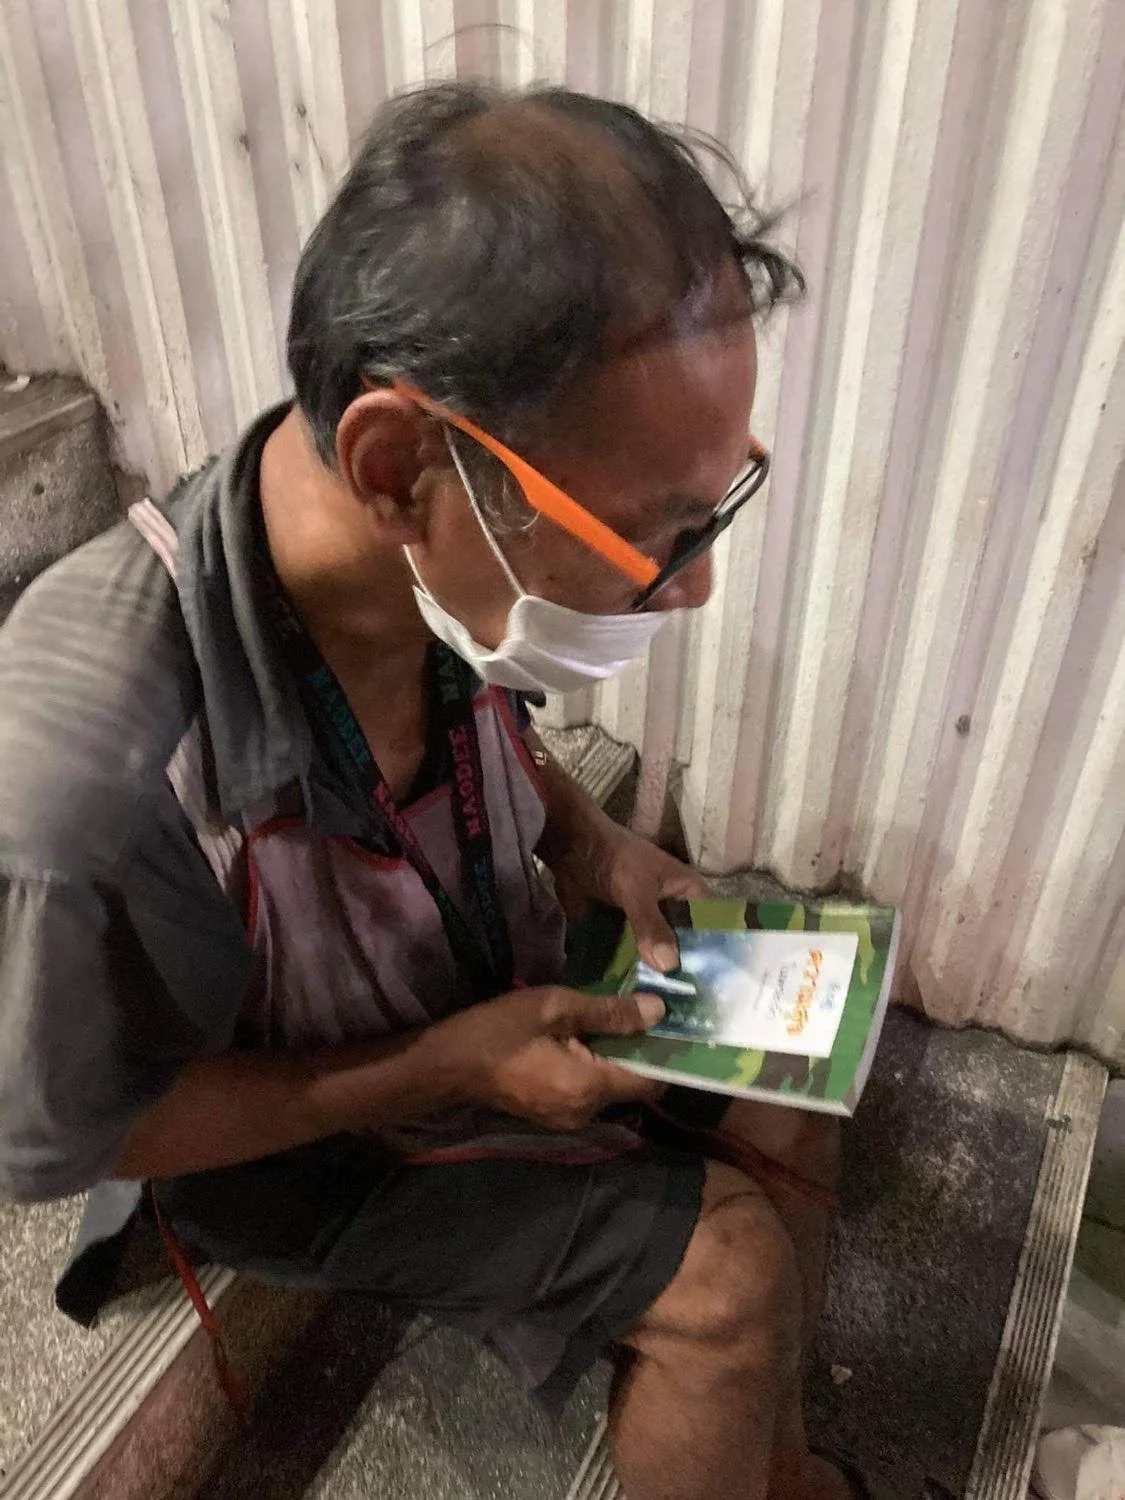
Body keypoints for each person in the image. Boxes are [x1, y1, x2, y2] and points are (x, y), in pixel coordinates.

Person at [0, 82, 856, 1500]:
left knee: (794, 1073)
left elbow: (489, 732)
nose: (696, 584)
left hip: (471, 970)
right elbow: (93, 1130)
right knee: (728, 1277)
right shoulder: (87, 776)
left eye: (716, 507)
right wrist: (445, 1069)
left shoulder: (420, 549)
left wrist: (591, 841)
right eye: (656, 534)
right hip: (293, 1129)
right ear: (396, 466)